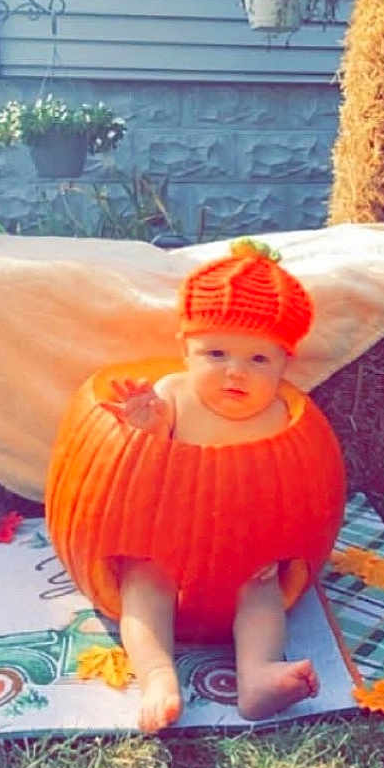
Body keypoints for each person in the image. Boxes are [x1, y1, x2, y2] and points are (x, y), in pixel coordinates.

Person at [101, 239, 322, 733]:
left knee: (261, 596)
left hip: (247, 550)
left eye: (259, 360)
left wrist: (277, 547)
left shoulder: (284, 417)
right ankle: (158, 676)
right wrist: (146, 424)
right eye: (216, 352)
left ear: (285, 362)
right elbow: (144, 468)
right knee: (142, 585)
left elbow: (298, 491)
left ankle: (258, 675)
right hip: (164, 544)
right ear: (186, 350)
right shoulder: (173, 396)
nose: (235, 371)